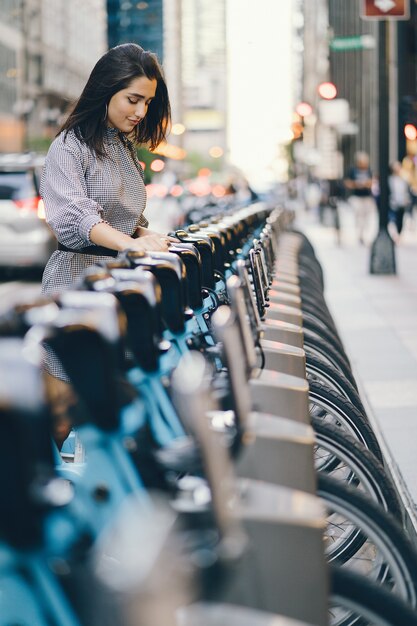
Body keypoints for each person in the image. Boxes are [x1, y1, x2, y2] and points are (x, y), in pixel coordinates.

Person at [39, 43, 174, 448]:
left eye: (147, 102)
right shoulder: (70, 145)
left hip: (114, 286)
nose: (140, 111)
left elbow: (126, 222)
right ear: (106, 90)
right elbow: (76, 216)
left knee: (109, 405)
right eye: (133, 99)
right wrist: (130, 245)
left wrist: (146, 238)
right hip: (76, 283)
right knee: (71, 407)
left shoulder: (124, 148)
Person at [344, 151, 377, 245]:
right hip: (356, 197)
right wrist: (357, 184)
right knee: (359, 216)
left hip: (367, 197)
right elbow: (347, 183)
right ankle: (359, 235)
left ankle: (364, 234)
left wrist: (366, 184)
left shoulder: (369, 171)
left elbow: (371, 183)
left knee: (367, 217)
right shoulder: (352, 170)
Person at [388, 161, 411, 240]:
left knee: (400, 219)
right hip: (393, 203)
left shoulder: (404, 179)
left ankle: (398, 234)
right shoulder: (390, 179)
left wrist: (407, 199)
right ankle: (394, 235)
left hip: (402, 202)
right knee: (392, 219)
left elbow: (407, 190)